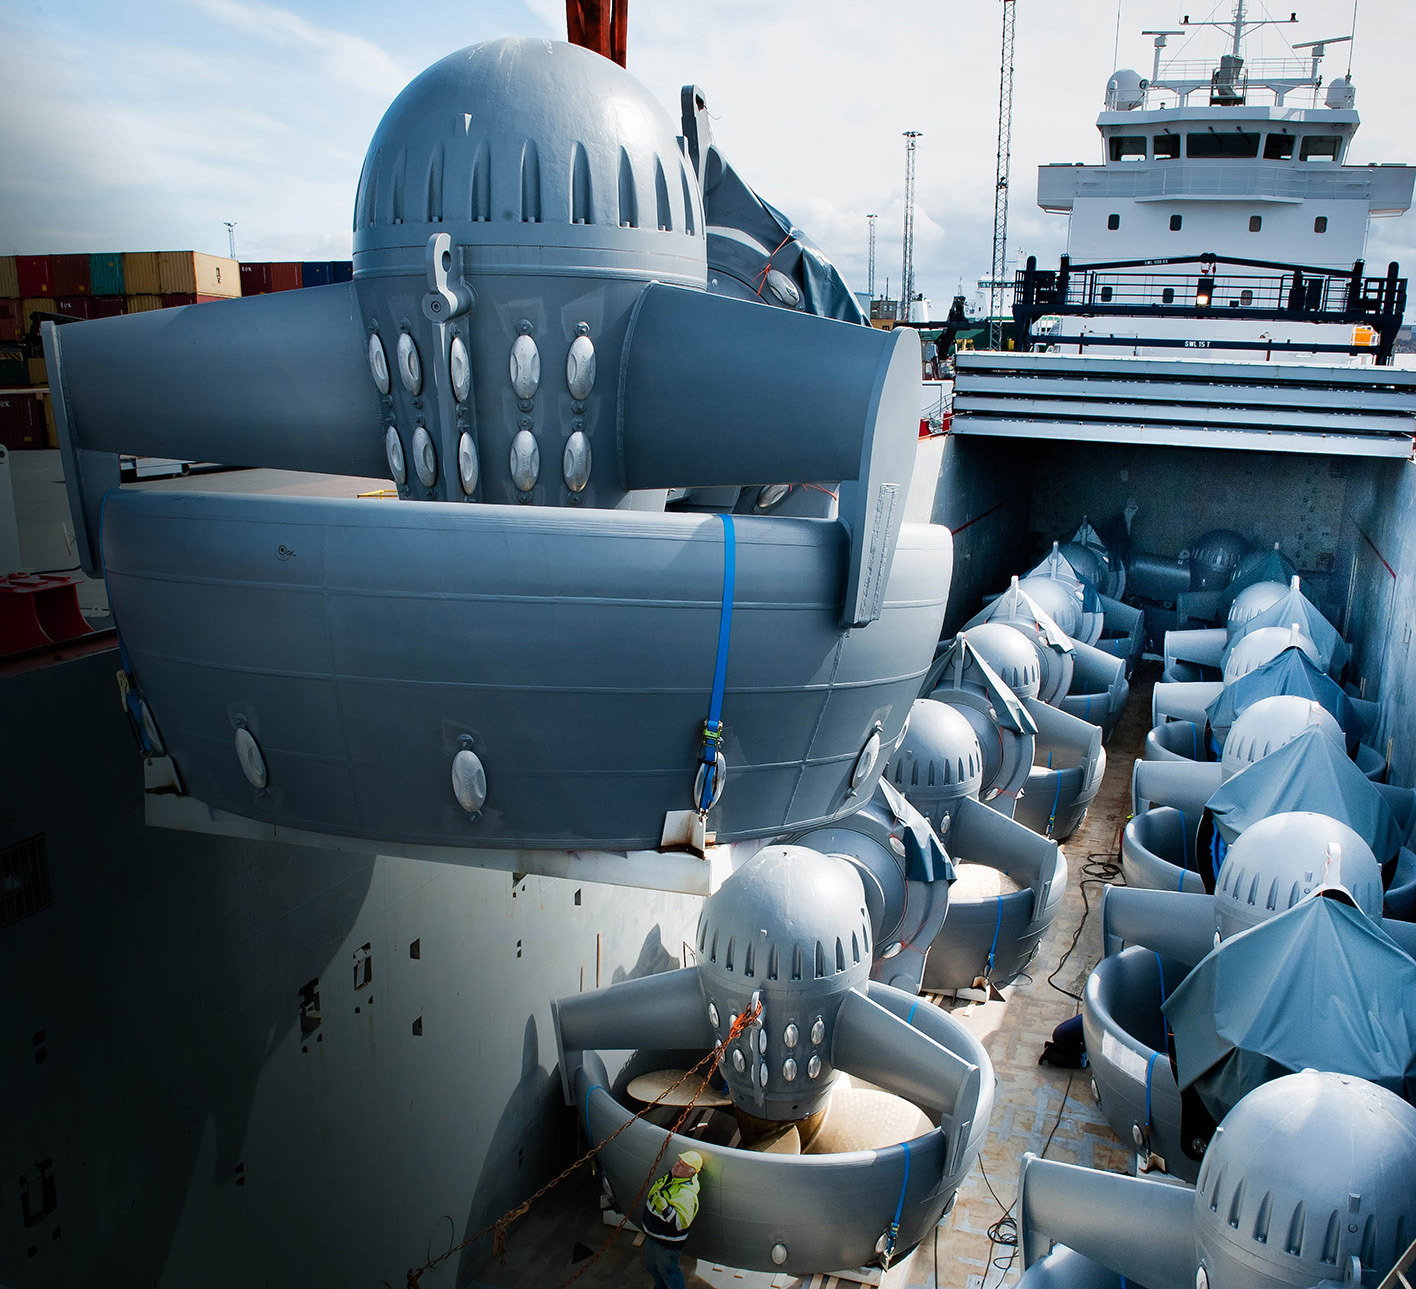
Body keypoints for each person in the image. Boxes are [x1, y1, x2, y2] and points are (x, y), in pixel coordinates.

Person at [640, 1149, 703, 1289]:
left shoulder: (686, 1195)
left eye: (682, 1165)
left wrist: (664, 1208)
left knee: (669, 1273)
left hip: (666, 1244)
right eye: (678, 1161)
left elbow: (680, 1223)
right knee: (652, 1267)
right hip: (654, 1236)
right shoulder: (672, 1178)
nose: (677, 1165)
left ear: (689, 1173)